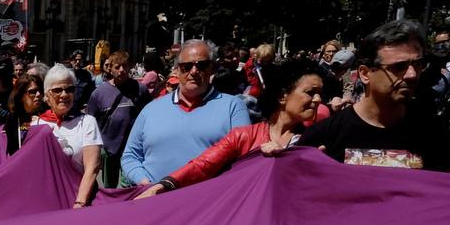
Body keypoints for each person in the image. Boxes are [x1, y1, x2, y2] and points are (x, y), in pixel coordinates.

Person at [135, 59, 324, 199]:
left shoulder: (316, 142)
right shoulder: (245, 136)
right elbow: (203, 165)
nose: (317, 100)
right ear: (283, 96)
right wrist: (165, 185)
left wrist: (311, 161)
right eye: (310, 93)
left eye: (319, 94)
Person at [297, 19, 450, 171]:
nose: (411, 74)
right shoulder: (324, 137)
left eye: (417, 64)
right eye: (399, 67)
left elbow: (446, 192)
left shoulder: (433, 133)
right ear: (365, 74)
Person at [119, 40, 251, 187]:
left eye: (201, 65)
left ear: (211, 68)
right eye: (186, 66)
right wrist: (144, 182)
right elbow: (130, 156)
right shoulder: (151, 109)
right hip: (155, 201)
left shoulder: (233, 107)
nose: (194, 71)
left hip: (210, 203)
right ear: (176, 70)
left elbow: (246, 159)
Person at [32, 64, 103, 208]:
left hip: (81, 199)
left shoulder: (87, 122)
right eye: (57, 90)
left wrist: (79, 203)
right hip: (47, 201)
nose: (64, 95)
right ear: (46, 96)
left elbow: (92, 167)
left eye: (69, 89)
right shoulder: (36, 126)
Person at [85, 51, 143, 187]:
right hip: (108, 149)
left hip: (132, 149)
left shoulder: (140, 89)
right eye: (117, 67)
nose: (122, 70)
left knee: (129, 186)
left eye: (125, 66)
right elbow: (90, 122)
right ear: (109, 68)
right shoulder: (98, 94)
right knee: (109, 187)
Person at [5, 70, 47, 153]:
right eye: (32, 92)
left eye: (40, 90)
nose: (38, 94)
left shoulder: (48, 115)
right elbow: (9, 148)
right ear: (21, 96)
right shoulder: (13, 118)